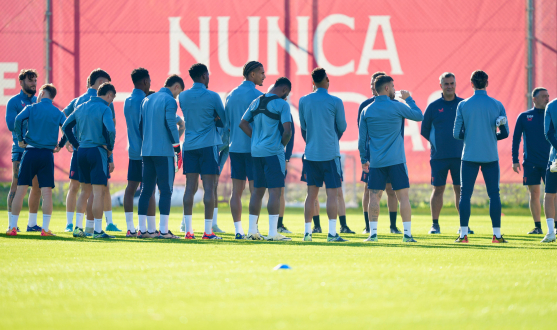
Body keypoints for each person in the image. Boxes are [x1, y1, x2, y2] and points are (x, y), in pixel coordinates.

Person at [358, 75, 423, 243]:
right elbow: (418, 115)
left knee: (374, 197)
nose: (395, 89)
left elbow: (361, 140)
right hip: (396, 161)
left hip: (377, 162)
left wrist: (363, 159)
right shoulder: (397, 106)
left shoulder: (367, 110)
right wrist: (409, 99)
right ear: (386, 88)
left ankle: (373, 234)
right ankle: (407, 235)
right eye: (393, 87)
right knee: (403, 197)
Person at [453, 70, 509, 243]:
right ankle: (497, 235)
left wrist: (471, 136)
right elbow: (505, 133)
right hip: (490, 155)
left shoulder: (463, 105)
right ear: (487, 83)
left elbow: (456, 134)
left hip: (469, 155)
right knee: (494, 195)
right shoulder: (497, 105)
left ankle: (463, 235)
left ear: (471, 84)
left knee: (465, 195)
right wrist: (492, 136)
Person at [63, 69, 120, 236]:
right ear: (109, 95)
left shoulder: (80, 106)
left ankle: (79, 228)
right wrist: (110, 148)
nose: (112, 101)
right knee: (97, 192)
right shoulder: (105, 108)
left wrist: (75, 143)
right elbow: (111, 130)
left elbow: (66, 125)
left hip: (81, 152)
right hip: (97, 151)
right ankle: (97, 230)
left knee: (84, 191)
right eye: (112, 98)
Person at [6, 84, 66, 236]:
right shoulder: (57, 112)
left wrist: (20, 139)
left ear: (43, 93)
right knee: (46, 193)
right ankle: (45, 229)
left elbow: (18, 120)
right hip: (47, 154)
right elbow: (68, 127)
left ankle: (12, 227)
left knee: (21, 190)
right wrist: (61, 144)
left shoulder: (32, 108)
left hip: (30, 152)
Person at [239, 77, 293, 241]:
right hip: (273, 153)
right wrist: (280, 145)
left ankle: (252, 231)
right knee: (275, 191)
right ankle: (272, 233)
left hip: (256, 152)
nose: (286, 97)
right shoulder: (282, 104)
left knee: (257, 191)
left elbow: (242, 123)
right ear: (284, 90)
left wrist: (255, 138)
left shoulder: (256, 101)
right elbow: (288, 131)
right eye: (287, 94)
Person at [299, 68, 347, 242]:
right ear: (327, 80)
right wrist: (332, 138)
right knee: (332, 194)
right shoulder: (335, 101)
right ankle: (332, 233)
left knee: (311, 194)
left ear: (312, 82)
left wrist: (312, 141)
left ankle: (307, 233)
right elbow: (342, 126)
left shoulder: (303, 100)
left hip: (311, 154)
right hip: (330, 155)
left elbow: (303, 127)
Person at [179, 63, 226, 240]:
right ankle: (208, 231)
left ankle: (188, 231)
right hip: (208, 146)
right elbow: (224, 119)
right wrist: (215, 119)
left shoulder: (183, 96)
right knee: (209, 188)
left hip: (189, 146)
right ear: (204, 76)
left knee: (189, 188)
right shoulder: (213, 96)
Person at [137, 75, 184, 239]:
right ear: (176, 87)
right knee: (166, 191)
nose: (177, 96)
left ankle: (142, 230)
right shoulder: (170, 100)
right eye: (178, 93)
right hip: (163, 152)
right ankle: (163, 231)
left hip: (147, 151)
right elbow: (171, 124)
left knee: (146, 191)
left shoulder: (147, 99)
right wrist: (177, 148)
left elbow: (140, 126)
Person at [420, 72, 466, 235]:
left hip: (460, 156)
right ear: (441, 85)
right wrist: (437, 143)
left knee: (460, 190)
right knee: (438, 189)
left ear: (455, 84)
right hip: (439, 157)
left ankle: (464, 225)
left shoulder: (463, 104)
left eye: (452, 83)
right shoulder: (433, 106)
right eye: (446, 84)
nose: (449, 86)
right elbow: (424, 130)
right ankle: (435, 224)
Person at [357, 72, 402, 235]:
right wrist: (365, 156)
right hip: (372, 154)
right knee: (369, 190)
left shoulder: (395, 104)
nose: (372, 87)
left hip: (392, 154)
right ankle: (368, 226)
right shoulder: (365, 106)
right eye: (370, 84)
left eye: (374, 84)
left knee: (391, 190)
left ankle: (393, 226)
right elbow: (362, 133)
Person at [225, 61, 265, 239]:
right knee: (256, 190)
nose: (264, 76)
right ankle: (252, 230)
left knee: (236, 190)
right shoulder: (259, 96)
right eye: (261, 73)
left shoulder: (230, 95)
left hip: (235, 149)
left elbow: (226, 125)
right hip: (253, 149)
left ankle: (238, 231)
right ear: (252, 75)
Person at [5, 69, 42, 232]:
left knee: (37, 186)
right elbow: (11, 124)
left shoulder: (38, 102)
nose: (33, 84)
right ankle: (12, 224)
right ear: (21, 82)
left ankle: (32, 224)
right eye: (30, 80)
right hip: (20, 149)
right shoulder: (14, 102)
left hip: (36, 150)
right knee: (17, 185)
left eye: (35, 80)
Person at [123, 68, 158, 237]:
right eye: (149, 81)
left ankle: (131, 228)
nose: (150, 84)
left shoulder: (128, 101)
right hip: (147, 152)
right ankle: (150, 229)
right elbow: (145, 126)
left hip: (133, 151)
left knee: (130, 189)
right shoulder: (145, 101)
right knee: (149, 190)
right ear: (145, 81)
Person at [512, 88, 551, 235]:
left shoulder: (552, 115)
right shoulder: (524, 116)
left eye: (548, 96)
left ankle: (555, 225)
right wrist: (515, 160)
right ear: (534, 99)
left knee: (553, 194)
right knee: (534, 194)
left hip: (551, 163)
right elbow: (516, 139)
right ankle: (537, 226)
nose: (547, 99)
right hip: (531, 163)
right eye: (543, 96)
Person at [541, 96, 557, 243]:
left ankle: (551, 232)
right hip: (555, 159)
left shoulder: (552, 105)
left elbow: (549, 133)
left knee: (550, 195)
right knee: (550, 195)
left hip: (555, 158)